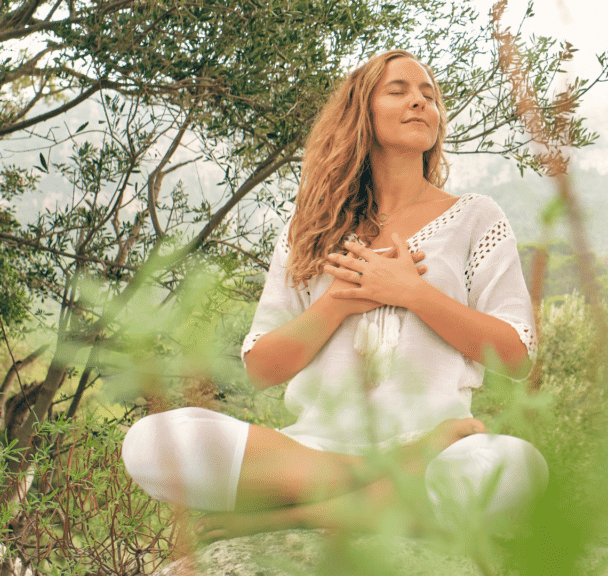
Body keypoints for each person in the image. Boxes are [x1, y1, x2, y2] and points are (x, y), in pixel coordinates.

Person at [121, 49, 548, 540]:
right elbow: (263, 367)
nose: (420, 102)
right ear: (360, 112)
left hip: (442, 444)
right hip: (312, 452)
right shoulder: (310, 229)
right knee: (149, 443)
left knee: (518, 469)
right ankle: (375, 478)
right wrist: (338, 301)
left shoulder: (476, 216)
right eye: (399, 90)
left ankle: (300, 514)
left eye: (429, 96)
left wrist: (411, 292)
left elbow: (517, 355)